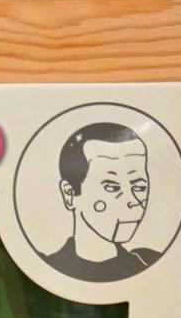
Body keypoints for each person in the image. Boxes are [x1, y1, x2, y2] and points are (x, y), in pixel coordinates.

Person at [44, 121, 160, 282]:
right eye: (112, 187)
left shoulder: (149, 263)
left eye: (139, 187)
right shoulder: (45, 270)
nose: (132, 201)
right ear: (70, 194)